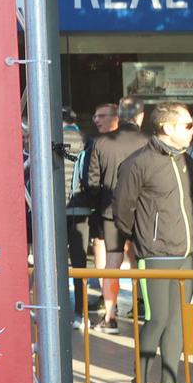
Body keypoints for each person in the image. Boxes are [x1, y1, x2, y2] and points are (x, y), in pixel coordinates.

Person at [111, 102, 193, 383]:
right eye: (187, 125)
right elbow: (122, 208)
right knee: (157, 319)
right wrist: (141, 240)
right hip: (155, 252)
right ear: (167, 128)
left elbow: (190, 200)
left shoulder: (186, 159)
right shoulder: (139, 162)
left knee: (177, 320)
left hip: (185, 252)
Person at [75, 99, 147, 331]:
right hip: (142, 210)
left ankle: (110, 316)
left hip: (110, 210)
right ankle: (146, 307)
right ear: (140, 116)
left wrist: (98, 203)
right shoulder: (148, 142)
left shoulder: (101, 143)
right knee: (142, 260)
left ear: (120, 116)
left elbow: (92, 181)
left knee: (112, 262)